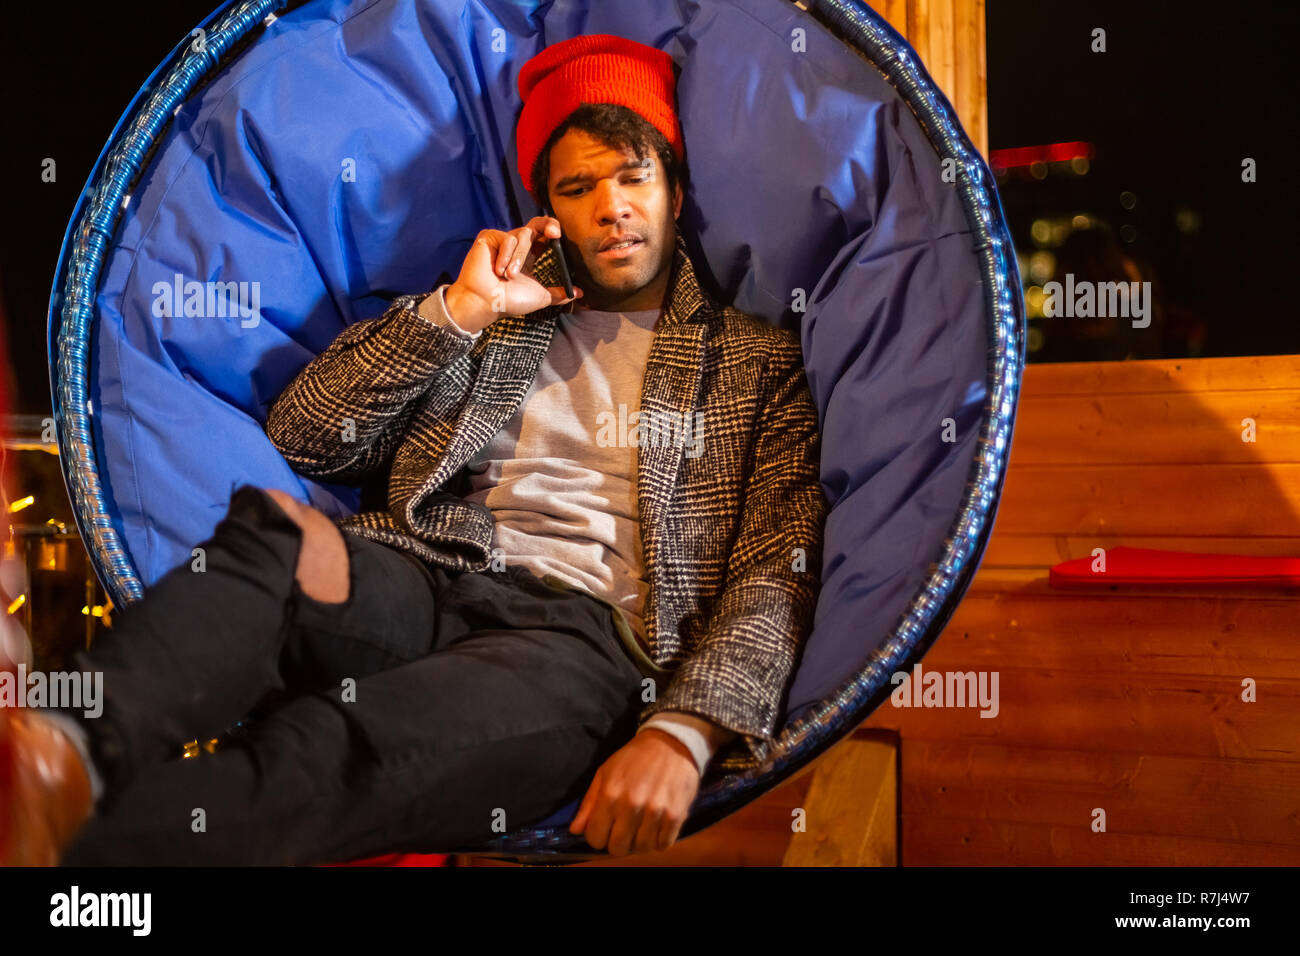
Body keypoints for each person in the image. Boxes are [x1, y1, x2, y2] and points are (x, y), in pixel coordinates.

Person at [0, 33, 826, 865]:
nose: (610, 206)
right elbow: (306, 437)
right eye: (579, 186)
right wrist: (458, 314)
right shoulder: (500, 317)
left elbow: (774, 571)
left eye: (632, 175)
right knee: (274, 532)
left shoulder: (755, 364)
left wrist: (683, 734)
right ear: (549, 209)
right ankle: (58, 757)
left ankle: (79, 855)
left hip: (585, 643)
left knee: (344, 743)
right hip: (427, 574)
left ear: (675, 193)